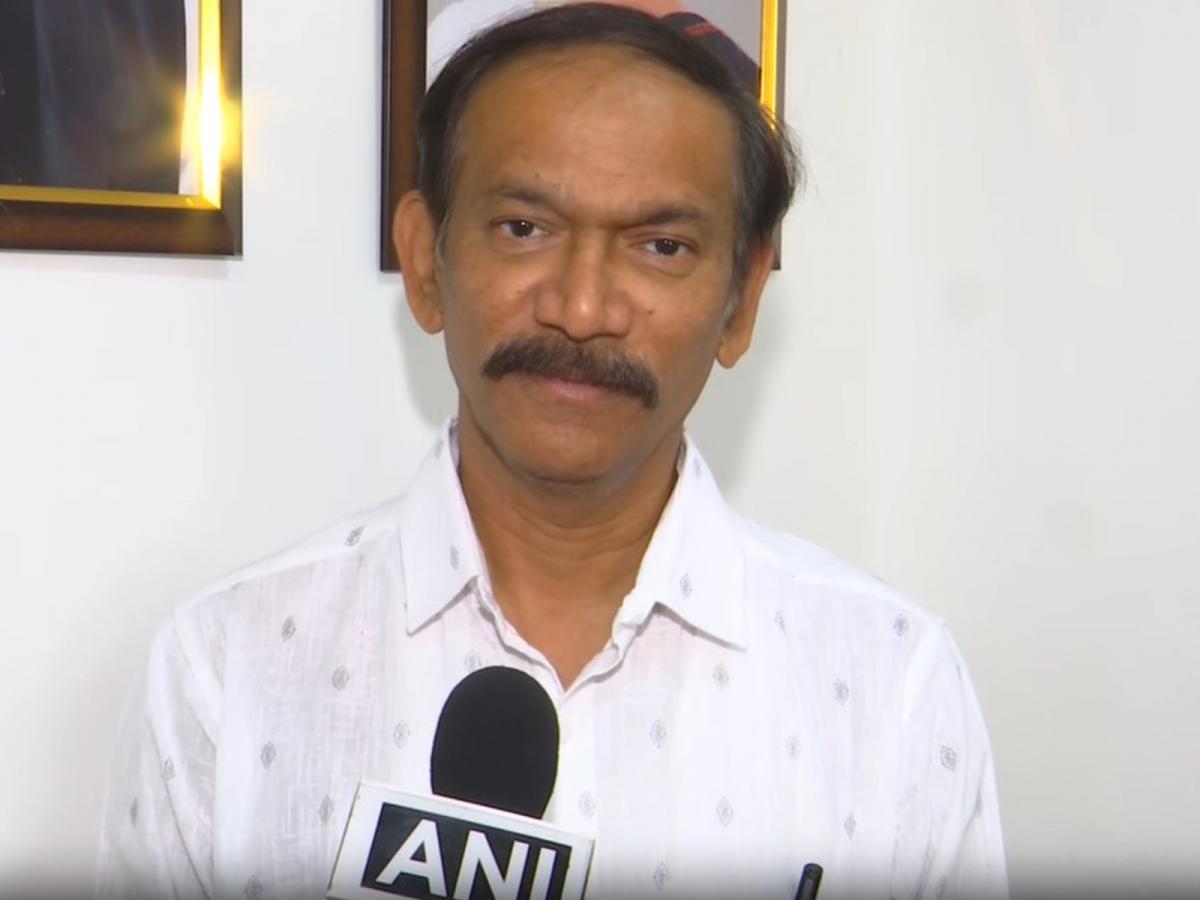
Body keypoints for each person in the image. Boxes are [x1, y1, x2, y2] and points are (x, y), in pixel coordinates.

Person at [97, 5, 1008, 899]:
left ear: (741, 301)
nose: (580, 308)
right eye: (524, 229)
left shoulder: (891, 683)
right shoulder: (228, 669)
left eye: (661, 246)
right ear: (425, 262)